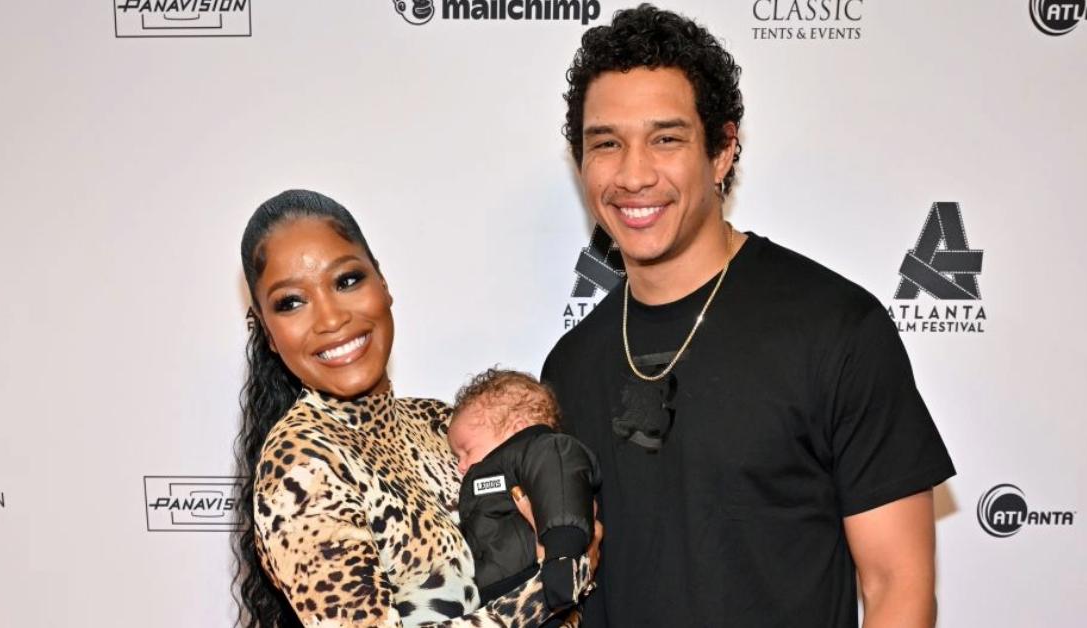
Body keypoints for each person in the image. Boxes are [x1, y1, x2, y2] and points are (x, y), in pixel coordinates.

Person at [541, 5, 956, 627]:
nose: (633, 174)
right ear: (582, 163)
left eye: (666, 138)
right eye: (606, 143)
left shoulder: (836, 329)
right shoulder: (569, 365)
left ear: (722, 152)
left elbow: (898, 587)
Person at [231, 189, 593, 628]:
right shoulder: (301, 464)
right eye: (291, 302)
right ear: (269, 334)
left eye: (346, 280)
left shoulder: (438, 420)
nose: (329, 319)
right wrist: (553, 587)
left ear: (383, 284)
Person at [448, 368, 599, 620]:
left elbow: (561, 486)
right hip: (496, 601)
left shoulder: (545, 449)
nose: (460, 465)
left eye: (466, 450)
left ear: (518, 429)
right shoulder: (488, 479)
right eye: (457, 457)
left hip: (541, 579)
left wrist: (561, 555)